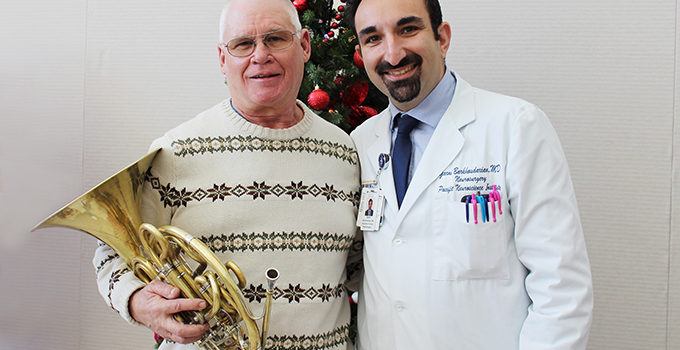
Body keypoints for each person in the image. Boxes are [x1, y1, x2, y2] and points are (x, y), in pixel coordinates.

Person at [93, 0, 361, 349]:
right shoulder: (176, 151)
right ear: (223, 58)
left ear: (305, 45)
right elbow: (112, 251)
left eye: (276, 39)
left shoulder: (343, 151)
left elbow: (359, 266)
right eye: (243, 44)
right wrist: (138, 302)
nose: (260, 55)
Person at [345, 0, 593, 349]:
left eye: (408, 29)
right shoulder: (360, 143)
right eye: (373, 38)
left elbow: (561, 286)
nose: (393, 53)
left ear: (442, 37)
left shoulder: (515, 127)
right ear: (361, 52)